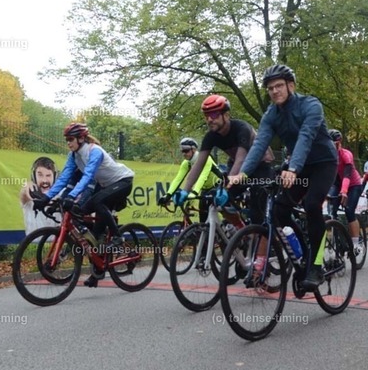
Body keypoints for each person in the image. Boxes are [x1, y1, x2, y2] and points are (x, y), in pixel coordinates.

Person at [228, 64, 338, 291]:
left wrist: (293, 168)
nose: (274, 91)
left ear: (291, 86)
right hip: (299, 167)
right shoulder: (271, 114)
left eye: (279, 86)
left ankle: (316, 265)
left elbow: (306, 136)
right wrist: (242, 174)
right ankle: (305, 253)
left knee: (312, 205)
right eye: (270, 88)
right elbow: (259, 144)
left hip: (323, 163)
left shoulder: (311, 105)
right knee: (279, 211)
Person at [31, 122, 135, 287]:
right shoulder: (74, 155)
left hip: (123, 181)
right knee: (81, 215)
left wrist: (72, 196)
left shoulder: (95, 151)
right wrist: (47, 197)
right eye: (66, 139)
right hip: (106, 186)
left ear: (81, 138)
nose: (68, 143)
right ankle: (98, 269)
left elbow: (88, 176)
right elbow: (65, 178)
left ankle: (117, 237)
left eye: (71, 139)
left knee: (98, 201)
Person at [172, 94, 274, 230]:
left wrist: (226, 187)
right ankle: (241, 229)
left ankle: (261, 238)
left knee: (258, 214)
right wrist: (185, 190)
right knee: (218, 201)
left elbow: (241, 158)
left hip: (261, 165)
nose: (209, 119)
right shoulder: (211, 136)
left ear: (226, 115)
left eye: (214, 114)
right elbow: (199, 164)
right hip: (236, 165)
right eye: (206, 116)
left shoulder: (242, 128)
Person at [157, 137, 220, 223]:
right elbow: (178, 179)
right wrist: (168, 195)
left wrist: (194, 192)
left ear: (193, 150)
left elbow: (203, 177)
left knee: (223, 211)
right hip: (205, 188)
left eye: (186, 151)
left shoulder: (206, 158)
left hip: (218, 185)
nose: (184, 154)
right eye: (182, 151)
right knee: (203, 219)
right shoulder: (186, 163)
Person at [327, 129, 364, 255]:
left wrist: (344, 191)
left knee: (349, 211)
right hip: (337, 184)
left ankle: (356, 242)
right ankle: (338, 239)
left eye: (335, 144)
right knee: (332, 211)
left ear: (339, 143)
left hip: (353, 184)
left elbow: (347, 175)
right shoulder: (326, 156)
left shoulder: (346, 154)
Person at [19, 156, 61, 235]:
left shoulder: (61, 194)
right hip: (33, 241)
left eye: (48, 175)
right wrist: (26, 188)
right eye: (40, 175)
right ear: (34, 176)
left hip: (58, 242)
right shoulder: (30, 194)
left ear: (55, 176)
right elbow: (23, 194)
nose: (44, 180)